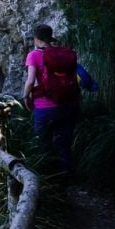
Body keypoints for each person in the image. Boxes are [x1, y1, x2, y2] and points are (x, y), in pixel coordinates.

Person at [23, 23, 81, 179]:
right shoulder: (63, 53)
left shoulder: (34, 55)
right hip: (68, 106)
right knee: (64, 144)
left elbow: (30, 81)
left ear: (36, 39)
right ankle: (67, 177)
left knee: (43, 144)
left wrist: (25, 97)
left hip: (44, 107)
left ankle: (48, 180)